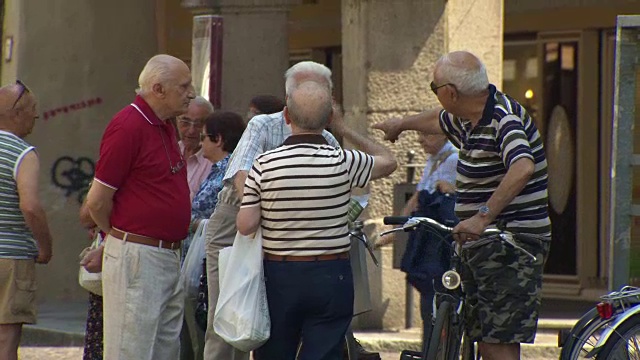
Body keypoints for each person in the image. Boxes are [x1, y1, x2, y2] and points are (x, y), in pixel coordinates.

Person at [373, 50, 551, 360]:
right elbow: (436, 120)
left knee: (498, 341)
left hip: (511, 244)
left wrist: (482, 218)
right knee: (484, 336)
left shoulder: (502, 118)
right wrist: (402, 124)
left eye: (434, 88)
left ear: (451, 93)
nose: (435, 94)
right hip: (482, 243)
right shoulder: (469, 118)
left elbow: (522, 166)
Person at [237, 80, 397, 359]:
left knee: (275, 352)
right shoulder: (345, 161)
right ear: (329, 119)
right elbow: (388, 160)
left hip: (280, 276)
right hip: (331, 273)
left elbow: (246, 224)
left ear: (286, 116)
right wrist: (345, 129)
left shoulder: (265, 164)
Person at [203, 61, 342, 360]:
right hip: (237, 219)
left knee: (275, 321)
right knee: (229, 316)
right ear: (290, 96)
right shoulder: (263, 124)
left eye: (322, 92)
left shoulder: (328, 138)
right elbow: (241, 174)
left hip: (288, 236)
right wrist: (264, 209)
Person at [86, 54, 195, 360]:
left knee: (164, 350)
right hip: (139, 254)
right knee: (131, 350)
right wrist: (119, 236)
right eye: (184, 86)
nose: (192, 92)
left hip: (167, 253)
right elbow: (97, 200)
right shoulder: (129, 125)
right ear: (158, 89)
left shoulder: (164, 125)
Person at [375, 133, 458, 352]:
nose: (420, 140)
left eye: (426, 134)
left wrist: (451, 190)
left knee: (439, 290)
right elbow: (417, 197)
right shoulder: (435, 159)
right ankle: (430, 348)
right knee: (428, 292)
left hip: (443, 240)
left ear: (443, 135)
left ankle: (440, 346)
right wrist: (396, 230)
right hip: (427, 237)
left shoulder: (454, 159)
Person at [183, 111, 246, 360]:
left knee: (216, 331)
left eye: (205, 138)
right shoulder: (217, 169)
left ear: (218, 139)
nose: (201, 144)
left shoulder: (228, 173)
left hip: (222, 262)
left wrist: (191, 224)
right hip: (209, 260)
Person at [0, 81, 53, 360]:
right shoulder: (23, 153)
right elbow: (30, 206)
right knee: (6, 338)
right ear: (16, 113)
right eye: (32, 109)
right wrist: (45, 247)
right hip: (11, 258)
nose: (36, 115)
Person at [177, 96, 215, 201]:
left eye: (199, 124)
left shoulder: (214, 162)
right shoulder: (167, 153)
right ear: (177, 121)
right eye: (185, 122)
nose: (191, 130)